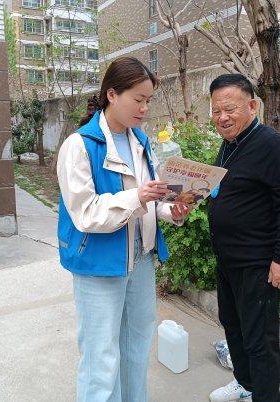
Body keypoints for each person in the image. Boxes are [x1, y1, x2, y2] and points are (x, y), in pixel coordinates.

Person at [56, 57, 190, 402]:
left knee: (137, 345)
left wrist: (171, 210)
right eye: (138, 99)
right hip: (99, 265)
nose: (144, 108)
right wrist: (138, 197)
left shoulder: (140, 141)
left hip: (140, 260)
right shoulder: (79, 146)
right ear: (112, 94)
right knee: (100, 356)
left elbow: (150, 200)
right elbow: (85, 213)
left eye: (148, 100)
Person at [207, 74, 280, 402]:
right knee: (233, 325)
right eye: (216, 111)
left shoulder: (272, 146)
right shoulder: (230, 144)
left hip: (257, 263)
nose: (222, 117)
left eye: (230, 109)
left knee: (260, 340)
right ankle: (245, 384)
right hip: (228, 260)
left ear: (252, 106)